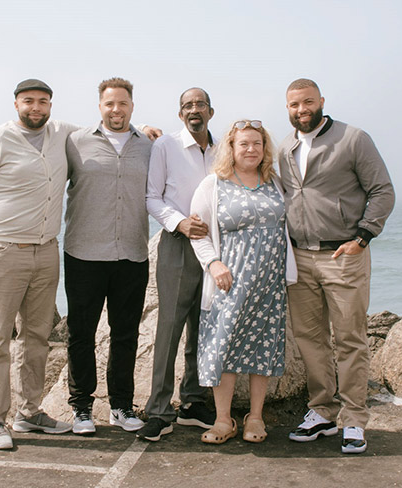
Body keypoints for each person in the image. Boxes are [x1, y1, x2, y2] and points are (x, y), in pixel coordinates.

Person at [277, 78, 395, 454]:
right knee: (310, 340)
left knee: (349, 339)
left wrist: (363, 237)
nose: (302, 110)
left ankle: (355, 419)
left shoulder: (353, 139)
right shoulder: (284, 147)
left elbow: (382, 190)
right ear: (288, 107)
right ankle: (322, 412)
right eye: (295, 105)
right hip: (300, 258)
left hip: (343, 255)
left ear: (321, 101)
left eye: (308, 102)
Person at [0, 79, 75, 450]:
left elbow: (101, 133)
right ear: (16, 104)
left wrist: (147, 131)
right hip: (0, 250)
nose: (37, 108)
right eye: (29, 101)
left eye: (43, 102)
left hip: (45, 251)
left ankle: (30, 412)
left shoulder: (61, 134)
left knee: (37, 336)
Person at [189, 120, 297, 444]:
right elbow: (199, 234)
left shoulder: (274, 182)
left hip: (270, 283)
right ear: (231, 149)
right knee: (223, 346)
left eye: (257, 144)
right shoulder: (214, 184)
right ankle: (224, 420)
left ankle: (256, 418)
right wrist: (213, 263)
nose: (251, 149)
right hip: (229, 282)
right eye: (243, 144)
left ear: (265, 149)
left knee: (262, 349)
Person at [64, 77, 152, 435]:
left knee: (126, 334)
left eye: (123, 104)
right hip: (83, 253)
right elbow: (46, 181)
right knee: (80, 333)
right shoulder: (75, 143)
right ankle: (82, 408)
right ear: (100, 106)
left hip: (132, 254)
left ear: (132, 106)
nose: (116, 110)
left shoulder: (149, 146)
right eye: (109, 104)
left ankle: (120, 406)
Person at [137, 88, 217, 442]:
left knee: (205, 325)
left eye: (200, 104)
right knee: (170, 327)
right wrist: (181, 222)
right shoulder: (165, 146)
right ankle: (158, 410)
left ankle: (194, 401)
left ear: (210, 112)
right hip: (179, 244)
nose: (194, 109)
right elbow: (151, 197)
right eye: (187, 106)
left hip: (216, 249)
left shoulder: (223, 148)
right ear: (180, 113)